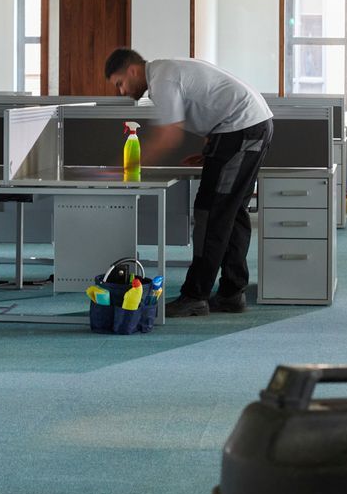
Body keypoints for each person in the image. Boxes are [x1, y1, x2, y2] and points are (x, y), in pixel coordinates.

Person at [105, 48, 273, 317]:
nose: (121, 90)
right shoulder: (166, 69)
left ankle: (195, 295)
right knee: (232, 212)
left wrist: (126, 168)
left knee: (210, 213)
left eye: (120, 83)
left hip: (241, 129)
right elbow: (210, 101)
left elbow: (167, 137)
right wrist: (212, 149)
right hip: (246, 125)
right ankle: (231, 293)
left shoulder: (162, 81)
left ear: (133, 71)